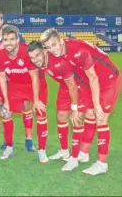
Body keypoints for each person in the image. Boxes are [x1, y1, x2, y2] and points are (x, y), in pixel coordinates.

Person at [40, 28, 121, 175]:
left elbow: (93, 77)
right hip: (92, 82)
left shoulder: (78, 50)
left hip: (108, 79)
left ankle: (102, 164)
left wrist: (96, 104)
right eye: (48, 47)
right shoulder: (60, 53)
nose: (52, 49)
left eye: (54, 44)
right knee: (90, 115)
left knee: (100, 118)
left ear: (60, 39)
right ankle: (84, 153)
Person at [27, 41, 94, 170]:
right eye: (32, 57)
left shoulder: (60, 63)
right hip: (65, 85)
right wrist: (36, 100)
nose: (35, 60)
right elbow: (35, 78)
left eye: (37, 55)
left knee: (77, 119)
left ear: (45, 51)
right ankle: (64, 150)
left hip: (79, 86)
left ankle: (74, 158)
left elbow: (73, 86)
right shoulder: (38, 62)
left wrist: (74, 109)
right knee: (61, 116)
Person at [0, 25, 48, 162]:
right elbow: (1, 77)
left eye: (12, 39)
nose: (9, 43)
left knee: (40, 111)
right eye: (5, 39)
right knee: (6, 112)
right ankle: (9, 147)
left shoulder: (26, 52)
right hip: (15, 85)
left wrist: (36, 100)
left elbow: (35, 77)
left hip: (34, 84)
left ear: (17, 39)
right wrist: (6, 101)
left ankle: (42, 150)